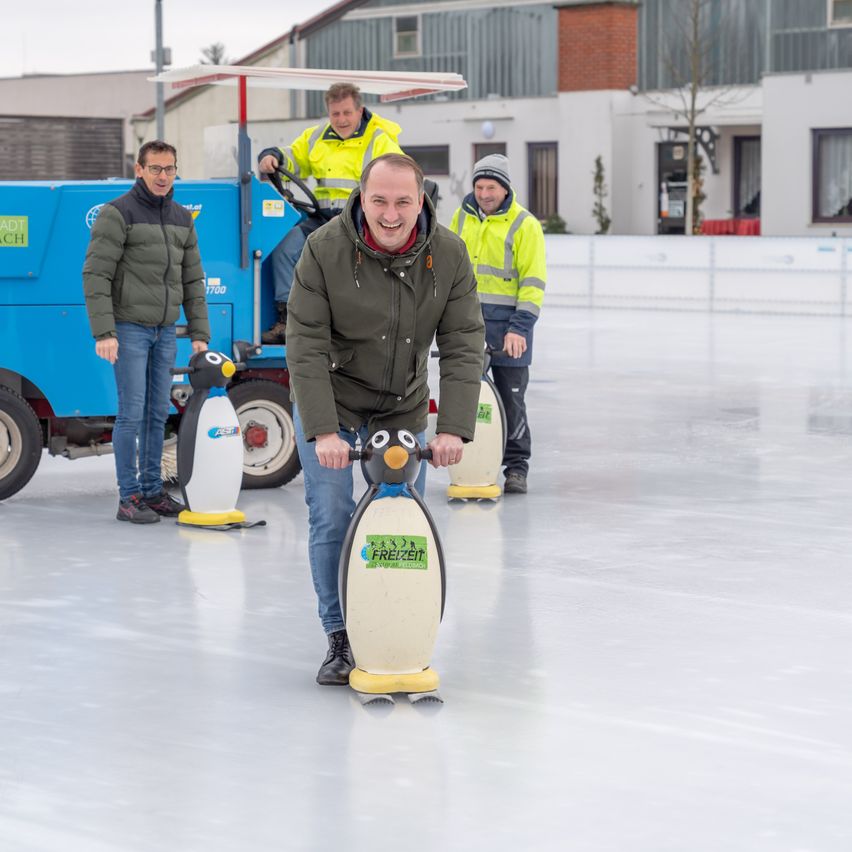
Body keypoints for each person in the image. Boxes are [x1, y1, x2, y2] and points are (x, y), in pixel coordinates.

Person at [286, 153, 485, 685]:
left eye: (402, 201)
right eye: (379, 201)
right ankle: (341, 635)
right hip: (332, 398)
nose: (390, 214)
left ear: (421, 200)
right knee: (331, 511)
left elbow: (464, 343)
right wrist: (324, 430)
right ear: (361, 197)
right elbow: (303, 345)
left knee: (397, 514)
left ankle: (394, 621)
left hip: (401, 403)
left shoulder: (448, 254)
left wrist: (452, 428)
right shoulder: (324, 250)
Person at [83, 140, 210, 524]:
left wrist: (200, 331)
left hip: (165, 330)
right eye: (155, 168)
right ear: (139, 170)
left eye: (169, 169)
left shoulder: (182, 218)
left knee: (158, 414)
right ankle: (129, 497)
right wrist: (104, 331)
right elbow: (96, 274)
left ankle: (154, 492)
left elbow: (192, 278)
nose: (162, 176)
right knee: (132, 415)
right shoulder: (117, 213)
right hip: (129, 328)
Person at [257, 82, 404, 343]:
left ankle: (349, 324)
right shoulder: (317, 137)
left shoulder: (380, 142)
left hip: (362, 221)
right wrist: (273, 156)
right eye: (335, 114)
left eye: (347, 113)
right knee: (286, 245)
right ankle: (286, 318)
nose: (341, 119)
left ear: (360, 111)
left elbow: (400, 176)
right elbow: (294, 156)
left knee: (342, 256)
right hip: (322, 219)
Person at [449, 154, 546, 495]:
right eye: (479, 186)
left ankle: (516, 468)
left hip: (509, 331)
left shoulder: (525, 225)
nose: (484, 193)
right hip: (467, 328)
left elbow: (533, 283)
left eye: (491, 186)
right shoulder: (461, 218)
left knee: (511, 399)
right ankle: (471, 462)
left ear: (505, 189)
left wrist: (520, 328)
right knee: (465, 400)